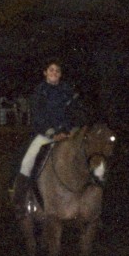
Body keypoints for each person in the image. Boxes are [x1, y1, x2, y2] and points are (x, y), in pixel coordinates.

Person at [13, 59, 80, 213]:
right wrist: (53, 133)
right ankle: (19, 200)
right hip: (46, 135)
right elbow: (38, 117)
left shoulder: (68, 91)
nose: (54, 73)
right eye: (51, 70)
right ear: (45, 73)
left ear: (60, 74)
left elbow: (75, 112)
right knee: (27, 161)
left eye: (57, 70)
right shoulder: (39, 92)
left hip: (67, 134)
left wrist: (69, 130)